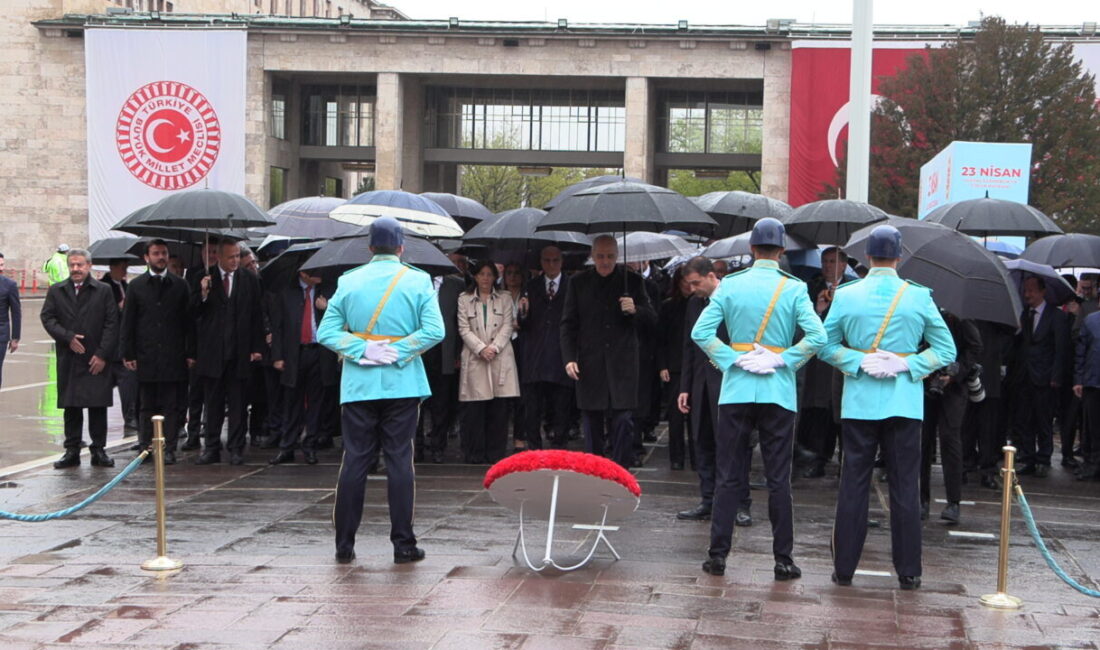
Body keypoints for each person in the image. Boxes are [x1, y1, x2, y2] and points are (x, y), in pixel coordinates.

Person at [820, 224, 956, 590]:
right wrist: (908, 365)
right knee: (905, 488)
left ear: (867, 256)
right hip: (904, 401)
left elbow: (824, 345)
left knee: (853, 486)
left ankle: (844, 567)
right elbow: (946, 350)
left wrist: (855, 362)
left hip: (860, 401)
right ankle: (909, 570)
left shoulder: (846, 294)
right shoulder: (918, 296)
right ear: (899, 256)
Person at [692, 218, 826, 580]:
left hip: (736, 386)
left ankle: (717, 555)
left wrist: (732, 359)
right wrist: (782, 358)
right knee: (778, 478)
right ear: (782, 250)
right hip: (777, 388)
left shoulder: (732, 285)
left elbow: (701, 332)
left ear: (751, 249)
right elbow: (817, 337)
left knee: (729, 475)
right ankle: (783, 559)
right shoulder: (794, 288)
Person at [317, 217, 444, 564]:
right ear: (401, 247)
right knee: (400, 461)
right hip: (402, 382)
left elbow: (325, 333)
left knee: (355, 461)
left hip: (360, 383)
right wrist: (398, 351)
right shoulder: (417, 281)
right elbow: (435, 331)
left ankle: (344, 544)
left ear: (370, 247)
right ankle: (403, 543)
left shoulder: (349, 280)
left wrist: (362, 349)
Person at [560, 235, 656, 469]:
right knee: (591, 421)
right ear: (592, 256)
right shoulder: (578, 282)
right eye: (600, 256)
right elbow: (568, 324)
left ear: (617, 256)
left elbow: (652, 319)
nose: (605, 261)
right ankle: (593, 469)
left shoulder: (631, 281)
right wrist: (569, 358)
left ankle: (620, 468)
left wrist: (635, 310)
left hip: (623, 362)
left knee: (623, 420)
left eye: (610, 256)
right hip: (590, 363)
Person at [676, 257, 751, 525]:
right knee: (703, 442)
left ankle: (741, 503)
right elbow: (688, 346)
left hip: (728, 382)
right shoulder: (694, 304)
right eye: (689, 283)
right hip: (700, 382)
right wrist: (685, 387)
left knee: (733, 445)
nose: (693, 288)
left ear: (711, 276)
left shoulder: (732, 299)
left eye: (696, 282)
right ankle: (708, 499)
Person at [41, 248, 120, 469]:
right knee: (71, 406)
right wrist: (67, 337)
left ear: (89, 266)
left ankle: (99, 450)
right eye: (72, 265)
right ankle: (72, 450)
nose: (76, 269)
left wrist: (102, 355)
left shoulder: (103, 291)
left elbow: (112, 324)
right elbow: (47, 317)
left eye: (80, 265)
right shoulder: (57, 291)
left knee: (97, 406)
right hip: (70, 357)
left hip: (96, 357)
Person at [191, 239, 265, 466]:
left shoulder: (249, 279)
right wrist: (203, 294)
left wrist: (257, 347)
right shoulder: (203, 277)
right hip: (212, 352)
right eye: (231, 257)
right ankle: (211, 447)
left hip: (240, 352)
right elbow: (192, 313)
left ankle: (236, 447)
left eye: (237, 256)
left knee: (238, 404)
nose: (235, 261)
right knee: (212, 404)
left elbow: (256, 315)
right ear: (219, 257)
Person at [121, 239, 191, 464]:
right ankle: (146, 447)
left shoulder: (179, 285)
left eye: (164, 253)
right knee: (146, 405)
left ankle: (168, 448)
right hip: (146, 355)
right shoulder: (137, 286)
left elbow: (188, 322)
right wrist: (128, 353)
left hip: (173, 355)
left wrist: (191, 352)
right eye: (156, 253)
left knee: (171, 405)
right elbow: (128, 322)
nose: (161, 257)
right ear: (147, 258)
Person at [919, 313, 982, 524]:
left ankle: (953, 502)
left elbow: (974, 346)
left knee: (950, 438)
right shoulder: (923, 308)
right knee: (922, 440)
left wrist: (955, 374)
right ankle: (921, 500)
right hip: (925, 381)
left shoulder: (960, 314)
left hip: (954, 387)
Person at [1006, 276, 1070, 478]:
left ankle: (1044, 458)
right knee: (1024, 418)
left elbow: (1061, 349)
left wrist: (1056, 376)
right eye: (1025, 291)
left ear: (1042, 292)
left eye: (1032, 291)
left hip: (1045, 376)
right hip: (1024, 376)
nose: (1027, 295)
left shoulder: (1056, 317)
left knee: (1043, 419)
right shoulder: (1025, 315)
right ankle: (1028, 457)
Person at [457, 260, 520, 464]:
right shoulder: (464, 299)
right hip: (476, 358)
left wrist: (494, 347)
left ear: (495, 277)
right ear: (475, 276)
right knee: (475, 410)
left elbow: (508, 326)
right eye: (482, 274)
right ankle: (475, 454)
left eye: (489, 274)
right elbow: (463, 328)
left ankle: (496, 453)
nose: (485, 278)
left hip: (499, 357)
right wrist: (480, 348)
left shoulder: (505, 297)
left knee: (499, 410)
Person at [269, 270, 335, 465]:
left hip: (319, 352)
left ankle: (310, 445)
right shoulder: (287, 293)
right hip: (295, 353)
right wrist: (277, 356)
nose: (320, 274)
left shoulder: (327, 291)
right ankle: (287, 446)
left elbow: (342, 317)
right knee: (291, 401)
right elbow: (278, 327)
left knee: (316, 402)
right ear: (303, 273)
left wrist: (327, 307)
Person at [797, 246, 849, 478]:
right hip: (817, 361)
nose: (827, 266)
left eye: (832, 261)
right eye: (825, 261)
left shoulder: (852, 289)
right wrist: (819, 311)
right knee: (816, 409)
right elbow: (802, 322)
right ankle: (816, 457)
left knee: (838, 411)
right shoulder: (811, 288)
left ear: (843, 265)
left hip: (841, 356)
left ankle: (843, 460)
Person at [517, 245, 572, 450]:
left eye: (555, 260)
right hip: (535, 357)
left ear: (561, 261)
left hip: (560, 356)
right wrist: (522, 313)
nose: (551, 265)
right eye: (547, 260)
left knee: (561, 407)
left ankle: (559, 446)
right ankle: (534, 446)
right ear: (540, 262)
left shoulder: (571, 285)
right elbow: (523, 324)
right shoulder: (531, 287)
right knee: (532, 407)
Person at [419, 265, 465, 463]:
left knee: (442, 403)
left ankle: (438, 446)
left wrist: (458, 352)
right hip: (420, 349)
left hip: (445, 349)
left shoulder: (456, 285)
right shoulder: (415, 283)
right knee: (418, 402)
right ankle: (417, 447)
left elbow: (459, 320)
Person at [658, 266, 691, 470]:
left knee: (696, 416)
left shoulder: (703, 304)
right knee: (676, 416)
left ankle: (696, 455)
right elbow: (661, 338)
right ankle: (676, 456)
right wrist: (662, 365)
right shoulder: (669, 307)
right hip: (675, 364)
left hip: (695, 365)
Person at [102, 258, 138, 433]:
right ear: (112, 267)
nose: (124, 271)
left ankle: (130, 417)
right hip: (109, 348)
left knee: (129, 386)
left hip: (124, 347)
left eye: (126, 268)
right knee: (100, 390)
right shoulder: (103, 286)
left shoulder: (127, 286)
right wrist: (119, 307)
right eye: (122, 268)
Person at [503, 263, 528, 452]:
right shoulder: (499, 295)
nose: (512, 277)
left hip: (523, 345)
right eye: (509, 273)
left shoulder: (528, 295)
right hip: (503, 345)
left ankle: (520, 437)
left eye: (516, 273)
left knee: (522, 394)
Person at [1073, 307, 1100, 481]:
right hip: (1093, 383)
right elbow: (1080, 353)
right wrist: (1079, 379)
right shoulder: (1091, 321)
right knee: (1092, 427)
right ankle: (1092, 463)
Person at [0, 252, 21, 389]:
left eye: (2, 264)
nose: (1, 268)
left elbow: (16, 312)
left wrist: (15, 338)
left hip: (1, 334)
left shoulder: (10, 285)